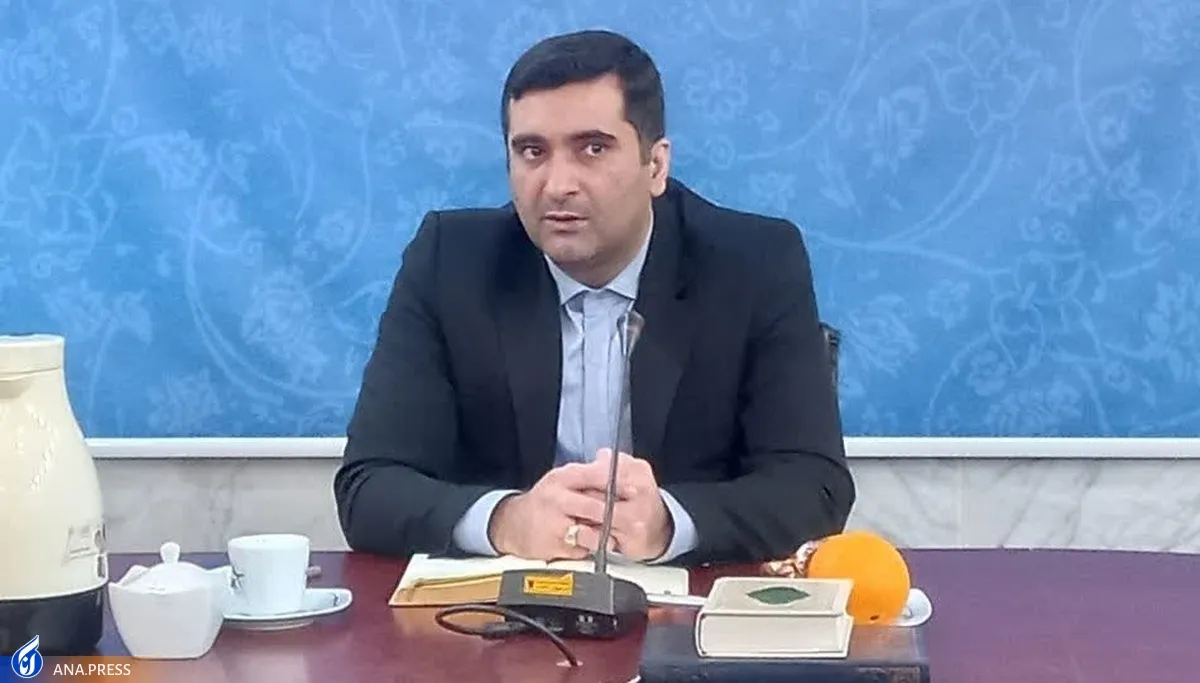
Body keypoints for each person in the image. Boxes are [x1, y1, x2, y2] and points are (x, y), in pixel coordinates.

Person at [333, 29, 855, 567]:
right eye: (532, 152)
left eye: (593, 149)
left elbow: (814, 488)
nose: (558, 184)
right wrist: (507, 520)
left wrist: (668, 523)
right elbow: (369, 487)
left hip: (684, 600)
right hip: (500, 605)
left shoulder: (754, 264)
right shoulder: (451, 262)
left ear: (656, 166)